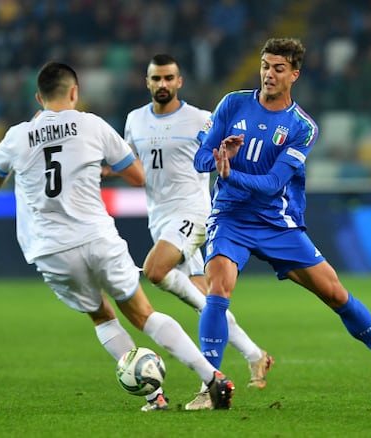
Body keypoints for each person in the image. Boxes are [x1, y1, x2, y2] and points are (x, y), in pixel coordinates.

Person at [193, 37, 371, 410]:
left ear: (294, 74)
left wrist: (229, 173)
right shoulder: (232, 103)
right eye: (265, 66)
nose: (269, 74)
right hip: (230, 217)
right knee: (218, 290)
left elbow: (272, 184)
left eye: (278, 68)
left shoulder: (302, 126)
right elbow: (199, 160)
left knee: (336, 294)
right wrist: (218, 156)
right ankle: (209, 388)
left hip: (277, 223)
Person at [0, 61, 232, 412]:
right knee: (143, 313)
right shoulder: (92, 125)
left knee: (102, 316)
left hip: (51, 248)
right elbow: (136, 176)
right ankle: (212, 377)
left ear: (39, 98)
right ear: (74, 92)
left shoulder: (18, 135)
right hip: (97, 236)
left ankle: (155, 396)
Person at [121, 54, 273, 410]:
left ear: (179, 81)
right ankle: (256, 355)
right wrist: (103, 170)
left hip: (193, 212)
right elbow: (132, 164)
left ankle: (213, 377)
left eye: (168, 78)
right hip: (159, 217)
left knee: (155, 270)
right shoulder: (134, 120)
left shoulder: (201, 118)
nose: (162, 84)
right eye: (156, 78)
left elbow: (225, 156)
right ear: (147, 82)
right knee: (207, 302)